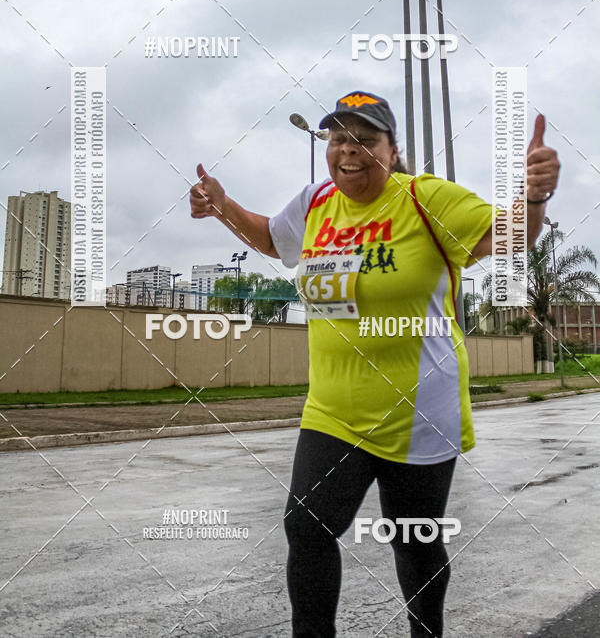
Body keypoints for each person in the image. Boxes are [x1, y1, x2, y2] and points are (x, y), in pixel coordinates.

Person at [189, 90, 560, 637]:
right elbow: (271, 238)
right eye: (338, 138)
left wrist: (533, 198)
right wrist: (223, 207)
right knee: (308, 530)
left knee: (414, 540)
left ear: (392, 149)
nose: (349, 150)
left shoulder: (426, 198)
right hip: (333, 410)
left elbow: (507, 239)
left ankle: (425, 632)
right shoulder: (316, 202)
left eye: (365, 139)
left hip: (419, 413)